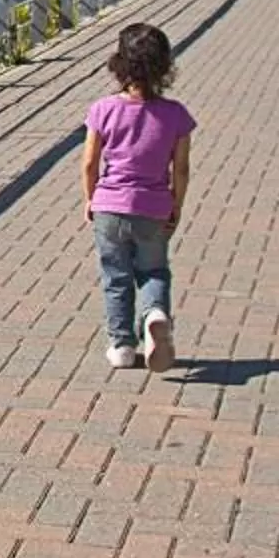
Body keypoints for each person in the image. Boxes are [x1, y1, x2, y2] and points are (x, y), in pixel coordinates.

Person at [81, 22, 194, 372]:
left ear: (119, 65)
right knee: (154, 270)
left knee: (115, 276)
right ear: (164, 67)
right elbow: (182, 169)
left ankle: (121, 346)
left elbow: (89, 163)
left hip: (109, 207)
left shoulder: (102, 109)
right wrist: (176, 204)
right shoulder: (176, 115)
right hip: (154, 207)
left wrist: (90, 198)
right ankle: (155, 313)